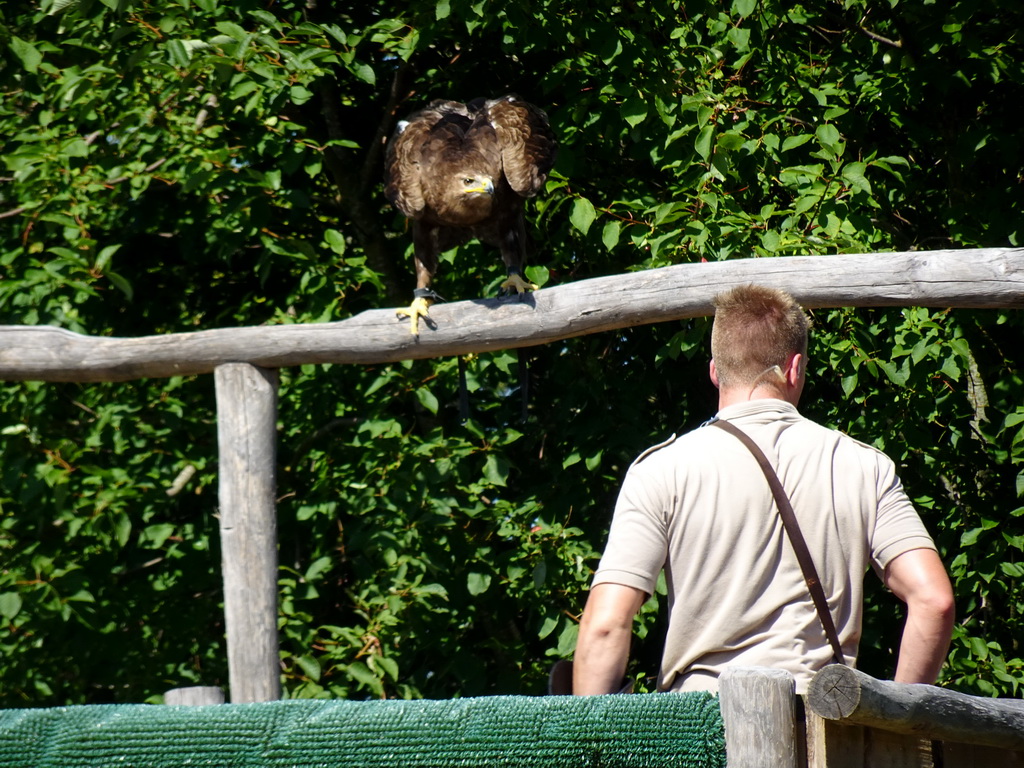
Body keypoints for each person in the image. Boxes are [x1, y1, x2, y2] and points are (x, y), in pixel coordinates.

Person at [573, 284, 955, 696]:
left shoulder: (663, 469)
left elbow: (607, 624)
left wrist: (585, 745)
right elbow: (934, 602)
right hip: (822, 733)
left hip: (700, 734)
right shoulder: (864, 466)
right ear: (794, 368)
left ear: (715, 370)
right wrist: (894, 724)